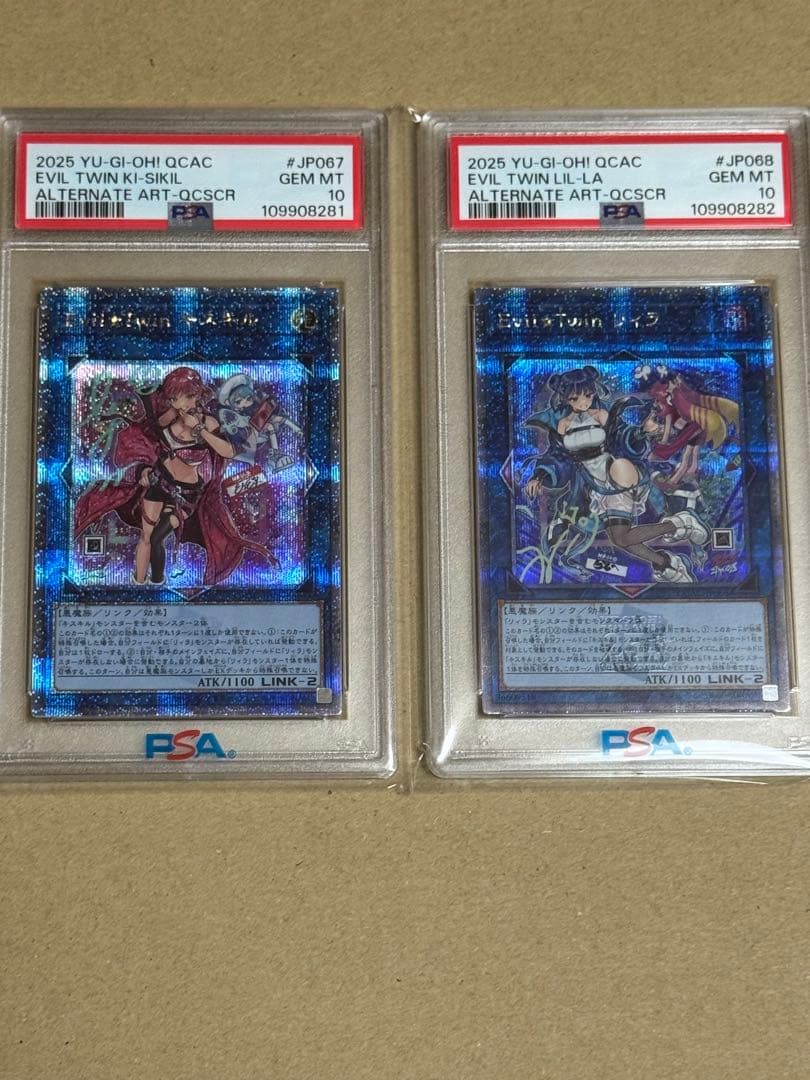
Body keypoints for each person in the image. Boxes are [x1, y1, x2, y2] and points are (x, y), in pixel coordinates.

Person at [75, 366, 275, 586]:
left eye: (188, 396)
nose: (183, 403)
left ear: (198, 394)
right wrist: (144, 469)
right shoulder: (167, 419)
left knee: (157, 537)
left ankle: (157, 581)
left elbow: (228, 451)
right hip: (159, 482)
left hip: (186, 494)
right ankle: (139, 583)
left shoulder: (208, 423)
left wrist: (198, 429)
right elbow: (146, 441)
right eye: (175, 398)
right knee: (146, 536)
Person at [522, 365, 707, 584]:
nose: (583, 402)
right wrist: (539, 476)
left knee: (620, 522)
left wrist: (641, 432)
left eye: (588, 395)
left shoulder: (602, 414)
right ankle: (668, 556)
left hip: (617, 472)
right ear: (565, 399)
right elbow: (558, 456)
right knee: (620, 538)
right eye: (575, 398)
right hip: (594, 485)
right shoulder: (562, 424)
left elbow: (622, 436)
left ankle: (678, 529)